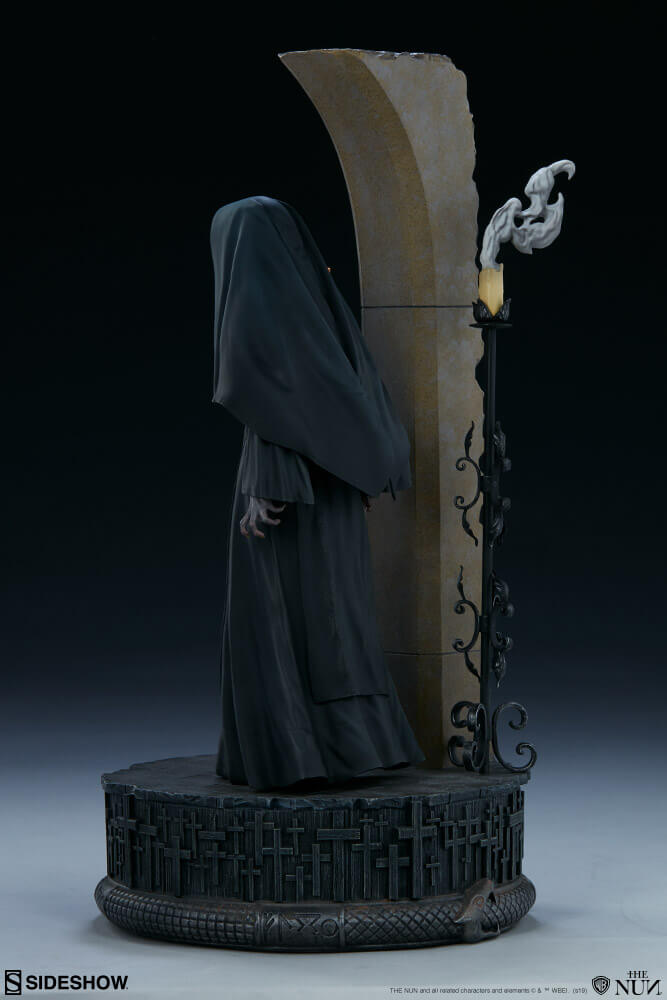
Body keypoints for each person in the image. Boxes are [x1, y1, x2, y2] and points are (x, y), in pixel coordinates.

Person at [210, 195, 424, 790]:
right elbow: (338, 396)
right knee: (335, 617)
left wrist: (264, 481)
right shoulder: (317, 311)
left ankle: (301, 753)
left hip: (284, 495)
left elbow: (266, 399)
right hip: (325, 489)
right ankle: (351, 747)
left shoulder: (270, 313)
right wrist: (360, 469)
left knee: (300, 617)